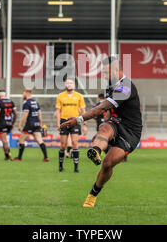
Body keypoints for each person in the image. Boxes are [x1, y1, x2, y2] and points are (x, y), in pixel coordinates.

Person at [60, 56, 142, 207]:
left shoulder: (126, 86)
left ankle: (93, 194)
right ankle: (96, 150)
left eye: (106, 72)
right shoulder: (110, 86)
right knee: (104, 127)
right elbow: (109, 112)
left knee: (108, 164)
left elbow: (102, 107)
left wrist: (77, 120)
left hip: (130, 132)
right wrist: (102, 131)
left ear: (117, 70)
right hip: (116, 124)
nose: (103, 75)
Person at [56, 79, 86, 173]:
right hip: (64, 121)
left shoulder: (79, 96)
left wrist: (84, 124)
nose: (69, 84)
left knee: (75, 143)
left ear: (74, 85)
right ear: (65, 85)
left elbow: (82, 111)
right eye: (67, 83)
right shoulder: (60, 96)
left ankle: (76, 168)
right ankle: (60, 166)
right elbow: (58, 111)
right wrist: (58, 123)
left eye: (71, 83)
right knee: (63, 145)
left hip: (75, 121)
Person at [13, 89, 49, 162]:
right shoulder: (36, 102)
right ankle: (46, 157)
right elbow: (40, 115)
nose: (22, 95)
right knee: (40, 140)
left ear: (26, 93)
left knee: (21, 140)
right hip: (36, 124)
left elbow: (25, 115)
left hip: (30, 124)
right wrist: (41, 125)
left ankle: (19, 158)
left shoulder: (26, 103)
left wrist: (20, 125)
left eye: (23, 93)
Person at [0, 89, 17, 161]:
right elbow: (15, 114)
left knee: (4, 140)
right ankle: (8, 154)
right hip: (9, 123)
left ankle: (7, 156)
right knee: (6, 140)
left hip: (2, 123)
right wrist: (13, 123)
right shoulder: (11, 101)